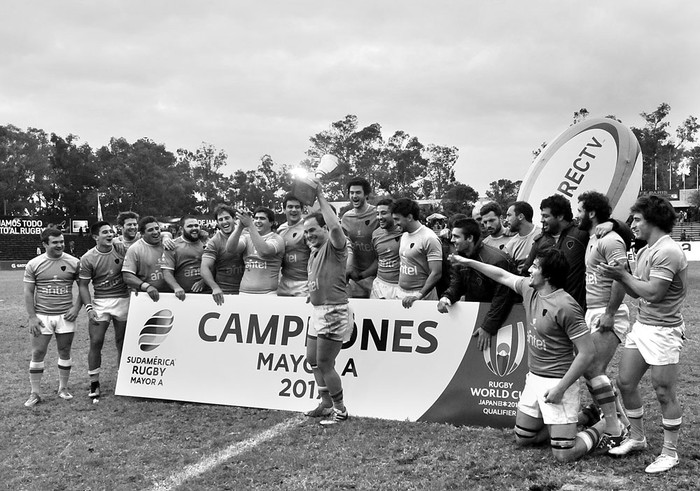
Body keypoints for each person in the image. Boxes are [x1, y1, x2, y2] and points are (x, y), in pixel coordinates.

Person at [458, 248, 605, 462]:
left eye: (535, 266)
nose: (529, 269)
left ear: (548, 276)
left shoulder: (566, 305)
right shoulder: (530, 289)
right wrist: (468, 262)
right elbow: (502, 275)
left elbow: (587, 352)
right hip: (534, 378)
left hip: (558, 383)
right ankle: (585, 416)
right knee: (524, 438)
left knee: (564, 454)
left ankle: (606, 424)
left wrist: (560, 389)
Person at [598, 195, 687, 473]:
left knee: (663, 392)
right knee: (625, 383)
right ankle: (637, 438)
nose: (632, 224)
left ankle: (670, 453)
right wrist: (621, 276)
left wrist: (622, 275)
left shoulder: (668, 251)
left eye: (637, 219)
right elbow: (638, 291)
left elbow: (654, 293)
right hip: (643, 326)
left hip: (664, 331)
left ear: (653, 220)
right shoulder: (647, 249)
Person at [577, 191, 630, 448]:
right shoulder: (593, 237)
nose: (577, 214)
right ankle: (621, 422)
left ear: (591, 213)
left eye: (580, 210)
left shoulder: (610, 240)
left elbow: (621, 276)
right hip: (593, 311)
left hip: (608, 313)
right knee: (592, 372)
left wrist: (609, 314)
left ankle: (616, 428)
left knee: (593, 369)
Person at [303, 177, 353, 425]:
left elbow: (335, 227)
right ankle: (325, 404)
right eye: (305, 232)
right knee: (312, 360)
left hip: (334, 311)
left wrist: (320, 196)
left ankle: (340, 409)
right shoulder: (313, 254)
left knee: (325, 363)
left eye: (312, 230)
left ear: (324, 229)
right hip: (318, 310)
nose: (308, 235)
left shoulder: (335, 246)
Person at [23, 227, 82, 407]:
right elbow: (28, 291)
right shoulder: (34, 264)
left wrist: (76, 308)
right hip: (42, 316)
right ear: (45, 244)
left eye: (61, 242)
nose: (60, 245)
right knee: (38, 352)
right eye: (55, 242)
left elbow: (83, 288)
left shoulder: (74, 262)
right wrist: (32, 317)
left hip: (66, 315)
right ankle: (35, 393)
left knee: (64, 351)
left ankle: (62, 388)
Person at [437, 218, 515, 351]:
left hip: (502, 323)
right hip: (475, 318)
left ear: (469, 238)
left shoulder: (497, 260)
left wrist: (488, 327)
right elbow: (456, 285)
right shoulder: (458, 257)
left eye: (456, 236)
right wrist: (447, 298)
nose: (452, 240)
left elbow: (503, 298)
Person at [78, 221, 130, 401]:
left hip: (123, 299)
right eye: (105, 232)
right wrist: (89, 307)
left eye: (111, 232)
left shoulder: (121, 248)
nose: (110, 234)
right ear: (95, 237)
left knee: (122, 341)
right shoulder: (88, 258)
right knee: (96, 341)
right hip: (101, 302)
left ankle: (123, 379)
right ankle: (94, 382)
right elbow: (83, 286)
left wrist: (166, 235)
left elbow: (140, 240)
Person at [391, 198, 442, 308]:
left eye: (397, 219)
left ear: (409, 217)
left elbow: (436, 273)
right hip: (401, 294)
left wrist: (419, 295)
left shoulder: (429, 238)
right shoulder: (404, 235)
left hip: (422, 297)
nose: (394, 223)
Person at [226, 207, 284, 295]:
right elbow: (230, 249)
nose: (258, 221)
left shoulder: (277, 238)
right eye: (256, 218)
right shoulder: (246, 237)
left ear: (271, 223)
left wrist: (250, 225)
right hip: (244, 292)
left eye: (262, 218)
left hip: (268, 293)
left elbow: (264, 251)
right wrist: (239, 227)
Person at [200, 204, 246, 304]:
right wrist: (215, 287)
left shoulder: (246, 235)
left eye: (227, 218)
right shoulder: (214, 241)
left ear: (234, 219)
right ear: (217, 222)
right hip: (224, 294)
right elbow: (204, 267)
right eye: (220, 219)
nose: (224, 222)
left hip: (246, 292)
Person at [341, 177, 378, 298]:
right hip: (355, 278)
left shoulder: (377, 215)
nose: (354, 196)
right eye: (351, 193)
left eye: (358, 192)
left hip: (377, 277)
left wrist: (366, 274)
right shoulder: (346, 218)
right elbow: (343, 247)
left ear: (366, 194)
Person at [122, 216, 169, 301]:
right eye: (150, 230)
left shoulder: (167, 243)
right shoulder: (135, 249)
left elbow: (168, 234)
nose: (155, 232)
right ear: (142, 234)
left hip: (172, 295)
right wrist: (146, 286)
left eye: (157, 228)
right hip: (148, 298)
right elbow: (127, 276)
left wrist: (166, 237)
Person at [162, 216, 206, 300]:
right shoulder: (170, 245)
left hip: (207, 294)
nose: (194, 228)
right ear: (182, 229)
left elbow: (215, 266)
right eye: (190, 226)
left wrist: (204, 281)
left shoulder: (207, 243)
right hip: (183, 297)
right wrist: (176, 287)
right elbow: (166, 272)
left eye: (196, 225)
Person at [277, 194, 311, 297]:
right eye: (290, 207)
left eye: (297, 207)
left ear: (302, 209)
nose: (294, 210)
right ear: (284, 209)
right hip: (284, 281)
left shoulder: (308, 227)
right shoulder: (280, 229)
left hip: (303, 283)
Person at [368, 198, 402, 299]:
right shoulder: (375, 234)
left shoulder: (404, 233)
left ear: (394, 214)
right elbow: (378, 258)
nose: (379, 217)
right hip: (379, 286)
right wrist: (362, 275)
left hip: (399, 287)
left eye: (383, 213)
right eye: (377, 214)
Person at [503, 201, 540, 275]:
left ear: (520, 216)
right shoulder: (510, 246)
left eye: (509, 215)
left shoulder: (543, 235)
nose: (506, 219)